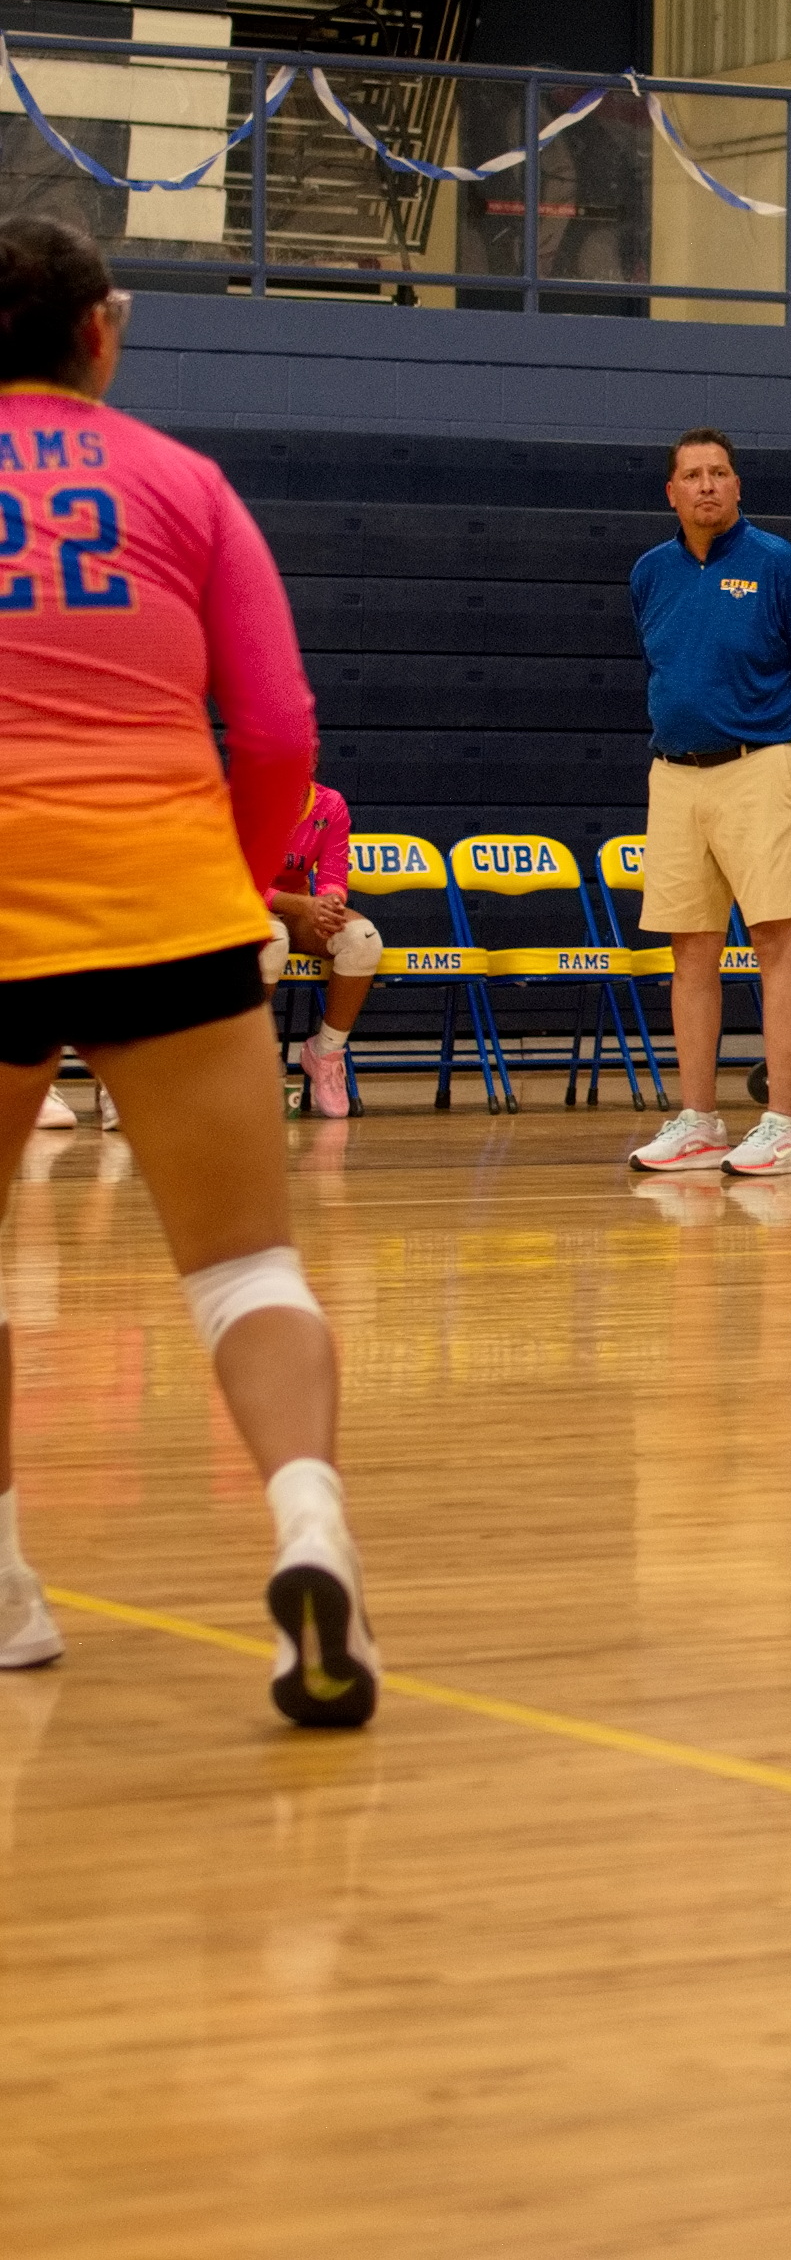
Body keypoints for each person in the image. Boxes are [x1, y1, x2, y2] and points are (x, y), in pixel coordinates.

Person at [0, 216, 378, 1726]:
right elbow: (281, 729)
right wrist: (231, 876)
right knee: (243, 1270)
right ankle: (308, 1524)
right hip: (169, 904)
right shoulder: (182, 482)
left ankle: (10, 1585)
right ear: (104, 329)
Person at [627, 426, 791, 1181]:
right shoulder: (649, 573)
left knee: (775, 938)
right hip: (673, 776)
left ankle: (785, 1126)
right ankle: (699, 1121)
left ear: (737, 486)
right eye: (693, 475)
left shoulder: (779, 564)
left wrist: (775, 746)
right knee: (691, 946)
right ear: (672, 492)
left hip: (759, 768)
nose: (708, 485)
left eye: (720, 472)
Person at [260, 776, 383, 1119]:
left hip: (299, 906)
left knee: (362, 939)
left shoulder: (330, 804)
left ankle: (325, 1053)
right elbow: (241, 882)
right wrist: (307, 907)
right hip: (241, 907)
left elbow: (332, 874)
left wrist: (329, 904)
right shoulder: (240, 797)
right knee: (271, 940)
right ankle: (255, 1056)